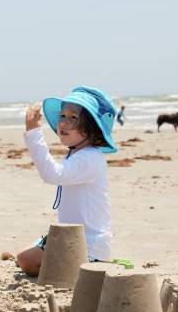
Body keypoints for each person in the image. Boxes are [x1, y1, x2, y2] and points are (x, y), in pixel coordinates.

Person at [16, 86, 117, 277]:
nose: (63, 122)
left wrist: (33, 133)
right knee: (25, 252)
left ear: (92, 128)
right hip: (72, 237)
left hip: (89, 246)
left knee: (25, 260)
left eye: (73, 118)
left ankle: (74, 267)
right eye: (62, 116)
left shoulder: (90, 158)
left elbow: (51, 174)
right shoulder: (78, 154)